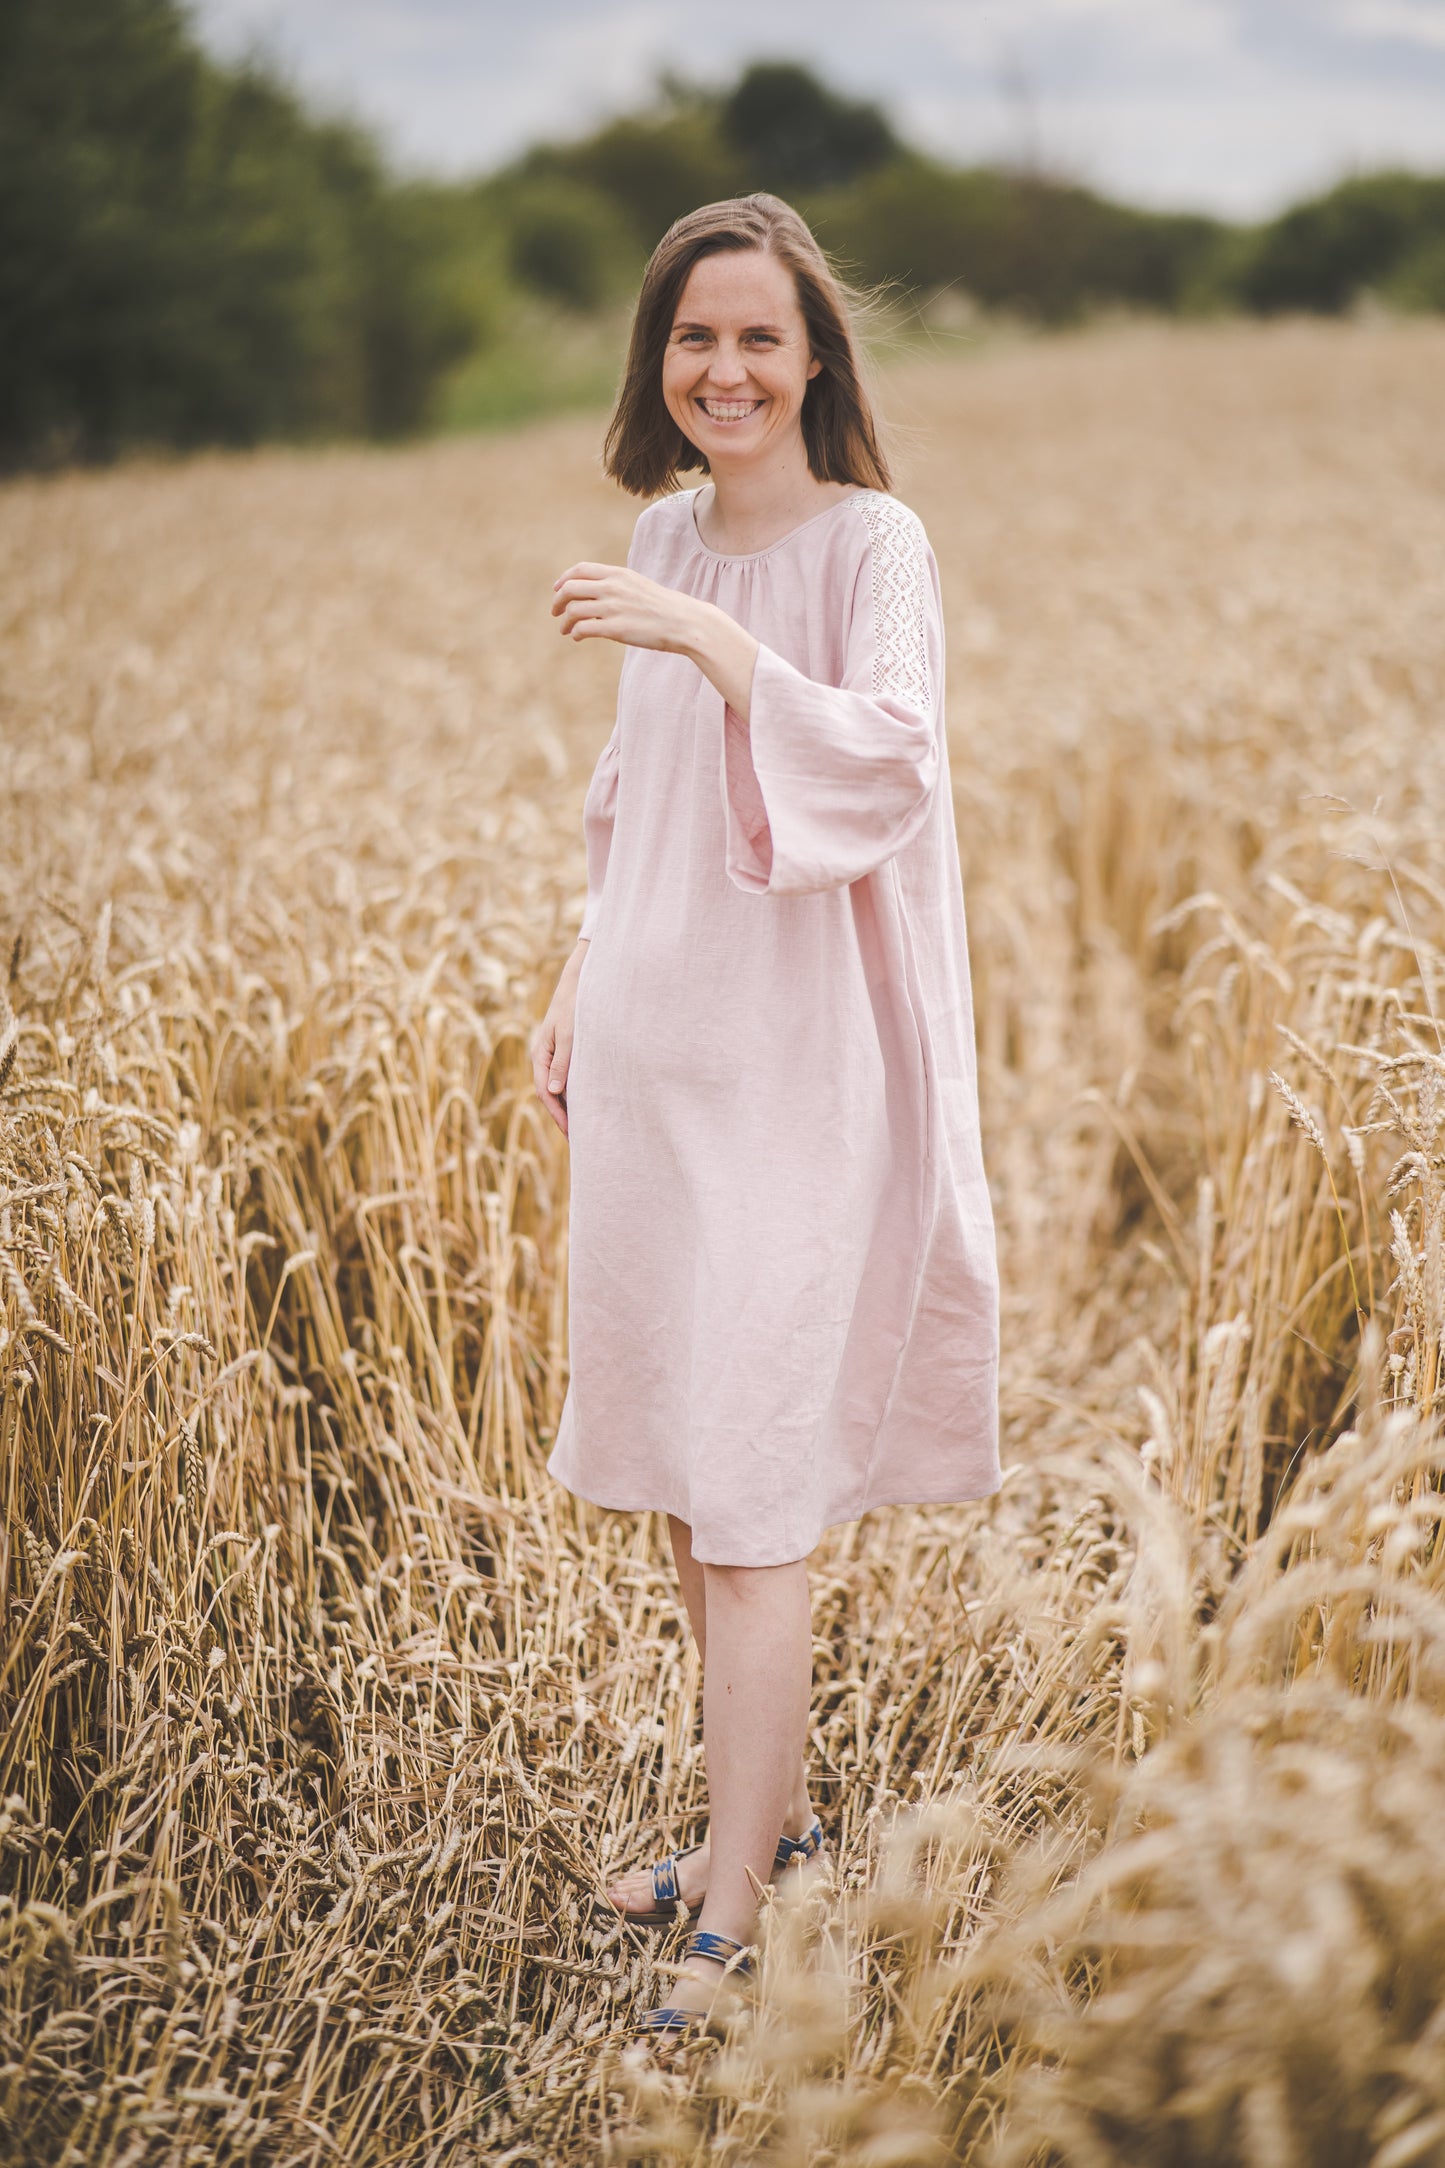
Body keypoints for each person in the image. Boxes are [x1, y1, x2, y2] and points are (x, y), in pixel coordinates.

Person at [531, 193, 999, 2033]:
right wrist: (578, 976)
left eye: (758, 338)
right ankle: (774, 1828)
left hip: (798, 1076)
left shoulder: (871, 542)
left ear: (815, 361)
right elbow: (624, 797)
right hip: (656, 1067)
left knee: (752, 1504)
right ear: (661, 360)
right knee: (674, 1471)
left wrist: (713, 641)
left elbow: (880, 754)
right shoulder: (663, 529)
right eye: (693, 337)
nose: (723, 368)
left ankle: (733, 1914)